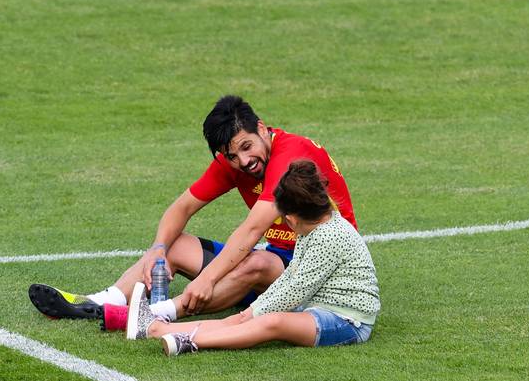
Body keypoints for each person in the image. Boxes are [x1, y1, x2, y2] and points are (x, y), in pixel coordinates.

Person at [28, 95, 358, 330]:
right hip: (278, 259)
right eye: (232, 155)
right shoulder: (236, 160)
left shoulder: (291, 155)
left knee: (257, 261)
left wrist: (208, 279)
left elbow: (253, 229)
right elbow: (182, 207)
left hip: (318, 272)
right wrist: (158, 250)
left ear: (261, 127)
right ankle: (101, 302)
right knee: (176, 243)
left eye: (247, 147)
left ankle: (157, 315)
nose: (244, 161)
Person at [126, 159, 380, 355]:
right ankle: (156, 328)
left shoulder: (328, 236)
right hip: (319, 308)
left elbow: (296, 289)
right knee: (243, 318)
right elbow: (290, 278)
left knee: (272, 322)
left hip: (348, 322)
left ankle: (191, 340)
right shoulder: (314, 228)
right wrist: (251, 311)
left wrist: (256, 311)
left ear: (291, 219)